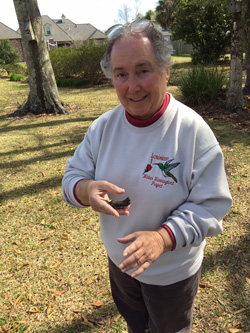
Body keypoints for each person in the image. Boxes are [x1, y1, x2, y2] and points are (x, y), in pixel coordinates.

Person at [62, 19, 232, 333]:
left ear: (166, 71)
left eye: (143, 70)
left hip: (171, 275)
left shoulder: (192, 131)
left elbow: (211, 205)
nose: (132, 86)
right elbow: (73, 174)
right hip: (121, 266)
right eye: (121, 74)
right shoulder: (103, 128)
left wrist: (161, 238)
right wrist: (86, 190)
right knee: (135, 325)